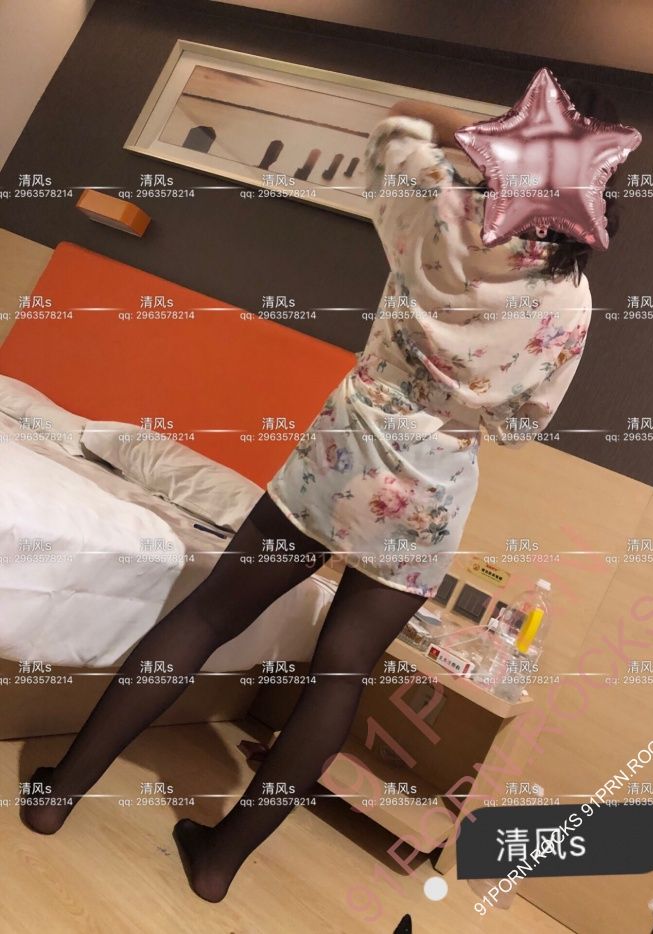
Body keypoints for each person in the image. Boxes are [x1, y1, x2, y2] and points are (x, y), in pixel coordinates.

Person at [20, 81, 617, 903]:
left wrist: (479, 131)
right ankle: (219, 864)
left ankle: (58, 795)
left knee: (207, 615)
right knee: (340, 680)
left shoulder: (436, 211)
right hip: (432, 492)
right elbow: (521, 425)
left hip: (342, 451)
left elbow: (396, 125)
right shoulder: (571, 298)